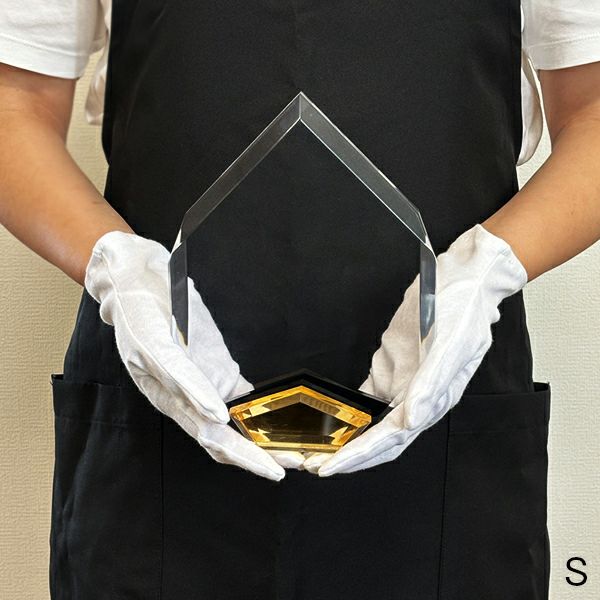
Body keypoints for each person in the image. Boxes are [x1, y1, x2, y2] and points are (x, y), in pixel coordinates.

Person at [1, 1, 599, 598]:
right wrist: (119, 271)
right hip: (159, 417)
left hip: (445, 422)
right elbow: (15, 105)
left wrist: (487, 272)